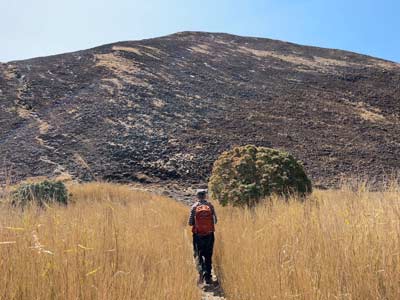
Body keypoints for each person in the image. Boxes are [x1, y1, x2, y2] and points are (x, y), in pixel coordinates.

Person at [188, 189, 217, 285]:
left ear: (197, 196)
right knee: (208, 255)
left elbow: (190, 223)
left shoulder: (194, 206)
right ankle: (208, 277)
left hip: (198, 235)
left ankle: (201, 275)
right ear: (205, 196)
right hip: (209, 234)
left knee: (198, 255)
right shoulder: (210, 206)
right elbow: (215, 221)